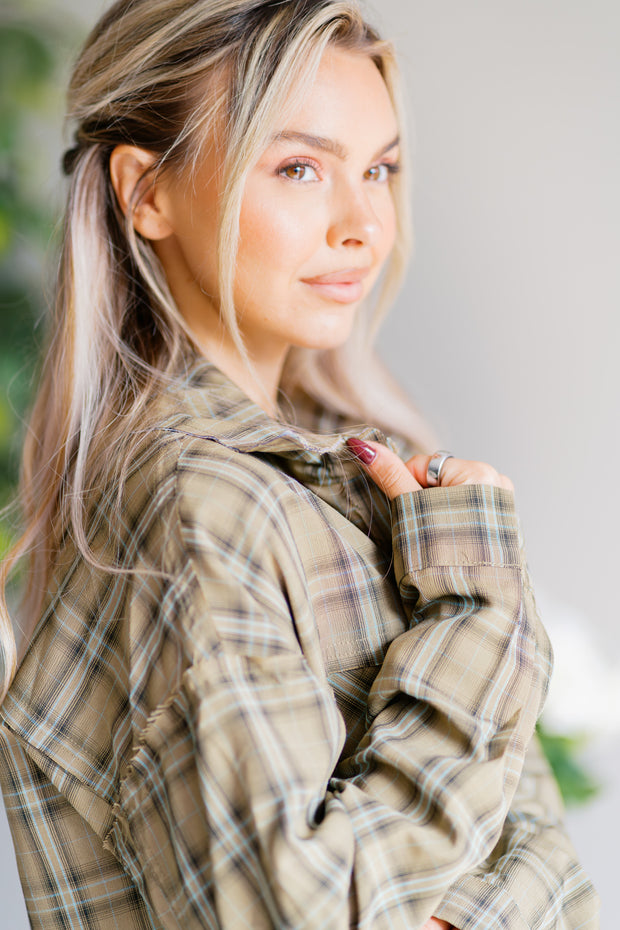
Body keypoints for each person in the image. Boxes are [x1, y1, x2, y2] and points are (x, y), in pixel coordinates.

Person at [0, 1, 599, 928]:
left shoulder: (321, 479)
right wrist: (480, 618)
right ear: (145, 191)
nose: (365, 222)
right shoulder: (202, 505)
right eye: (301, 168)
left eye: (380, 168)